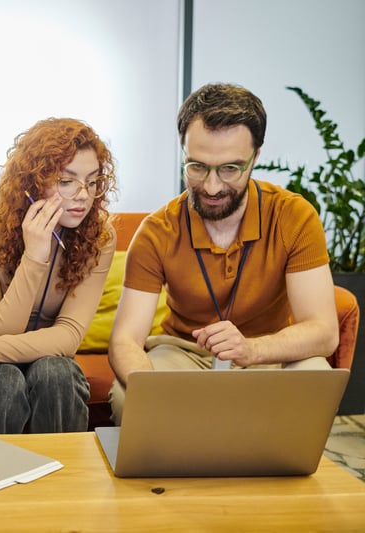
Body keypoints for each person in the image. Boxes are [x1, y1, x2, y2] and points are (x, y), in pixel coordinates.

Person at [107, 83, 339, 424]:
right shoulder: (157, 231)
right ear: (183, 153)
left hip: (269, 353)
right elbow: (125, 340)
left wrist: (252, 350)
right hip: (185, 355)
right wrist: (152, 391)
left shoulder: (295, 216)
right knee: (128, 399)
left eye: (230, 168)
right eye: (197, 167)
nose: (212, 187)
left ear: (256, 157)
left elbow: (324, 331)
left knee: (316, 376)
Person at [0, 117, 118, 433]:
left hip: (39, 356)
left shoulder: (100, 237)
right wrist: (34, 257)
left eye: (92, 181)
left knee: (56, 373)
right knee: (3, 379)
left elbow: (68, 337)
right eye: (66, 181)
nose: (84, 195)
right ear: (32, 182)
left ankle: (63, 481)